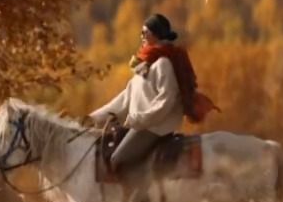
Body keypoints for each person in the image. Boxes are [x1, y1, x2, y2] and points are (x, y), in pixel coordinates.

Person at [90, 13, 219, 173]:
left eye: (145, 32)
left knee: (118, 159)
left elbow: (166, 101)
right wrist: (94, 118)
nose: (141, 36)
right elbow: (124, 99)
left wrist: (140, 119)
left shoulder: (163, 64)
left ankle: (139, 197)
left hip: (154, 128)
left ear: (157, 34)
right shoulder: (144, 65)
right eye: (141, 32)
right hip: (142, 125)